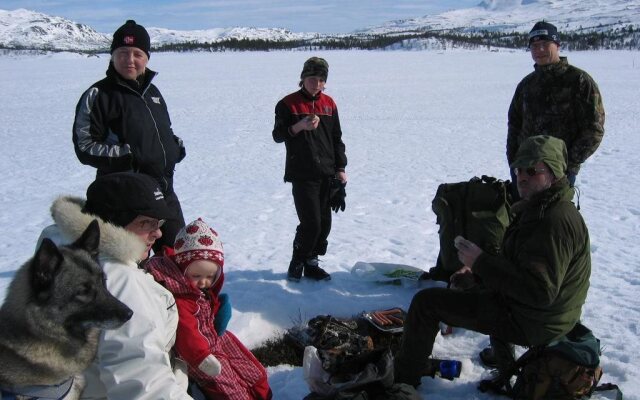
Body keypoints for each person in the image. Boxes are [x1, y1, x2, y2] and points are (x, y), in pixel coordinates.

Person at [394, 135, 591, 388]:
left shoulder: (552, 220)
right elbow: (521, 265)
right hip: (544, 315)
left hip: (537, 321)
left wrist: (481, 264)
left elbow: (539, 292)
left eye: (533, 170)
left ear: (553, 173)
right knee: (476, 292)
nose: (522, 176)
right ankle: (505, 367)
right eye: (519, 169)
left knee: (426, 303)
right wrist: (477, 274)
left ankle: (402, 384)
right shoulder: (542, 207)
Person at [38, 172, 193, 399]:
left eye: (159, 222)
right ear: (113, 224)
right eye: (145, 222)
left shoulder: (63, 247)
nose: (158, 232)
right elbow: (143, 381)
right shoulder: (119, 281)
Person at [72, 19, 186, 251]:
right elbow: (84, 145)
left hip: (164, 190)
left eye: (137, 53)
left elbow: (164, 129)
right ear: (112, 56)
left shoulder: (153, 92)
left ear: (147, 58)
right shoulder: (99, 95)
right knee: (132, 261)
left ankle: (173, 289)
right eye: (123, 52)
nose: (130, 60)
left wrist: (174, 146)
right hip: (127, 199)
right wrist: (127, 156)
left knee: (177, 253)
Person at [145, 219, 272, 400]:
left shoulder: (199, 290)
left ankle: (262, 395)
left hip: (214, 337)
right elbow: (186, 331)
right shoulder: (182, 298)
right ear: (182, 270)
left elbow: (206, 310)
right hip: (199, 354)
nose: (204, 282)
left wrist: (217, 309)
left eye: (211, 276)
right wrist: (201, 358)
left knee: (253, 372)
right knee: (228, 387)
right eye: (196, 275)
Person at [272, 57, 348, 282]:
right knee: (311, 223)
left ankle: (312, 262)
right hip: (302, 173)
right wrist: (299, 126)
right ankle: (298, 260)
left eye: (321, 80)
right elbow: (277, 135)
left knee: (324, 223)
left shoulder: (329, 104)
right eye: (312, 78)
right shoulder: (288, 104)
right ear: (303, 79)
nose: (317, 84)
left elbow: (336, 138)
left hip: (327, 173)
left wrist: (340, 168)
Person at [507, 21, 605, 192]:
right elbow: (514, 125)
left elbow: (593, 129)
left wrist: (567, 164)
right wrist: (514, 162)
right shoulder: (527, 84)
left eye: (545, 44)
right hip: (524, 170)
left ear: (557, 45)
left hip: (558, 172)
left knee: (554, 216)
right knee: (522, 216)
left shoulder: (579, 81)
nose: (540, 50)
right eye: (535, 46)